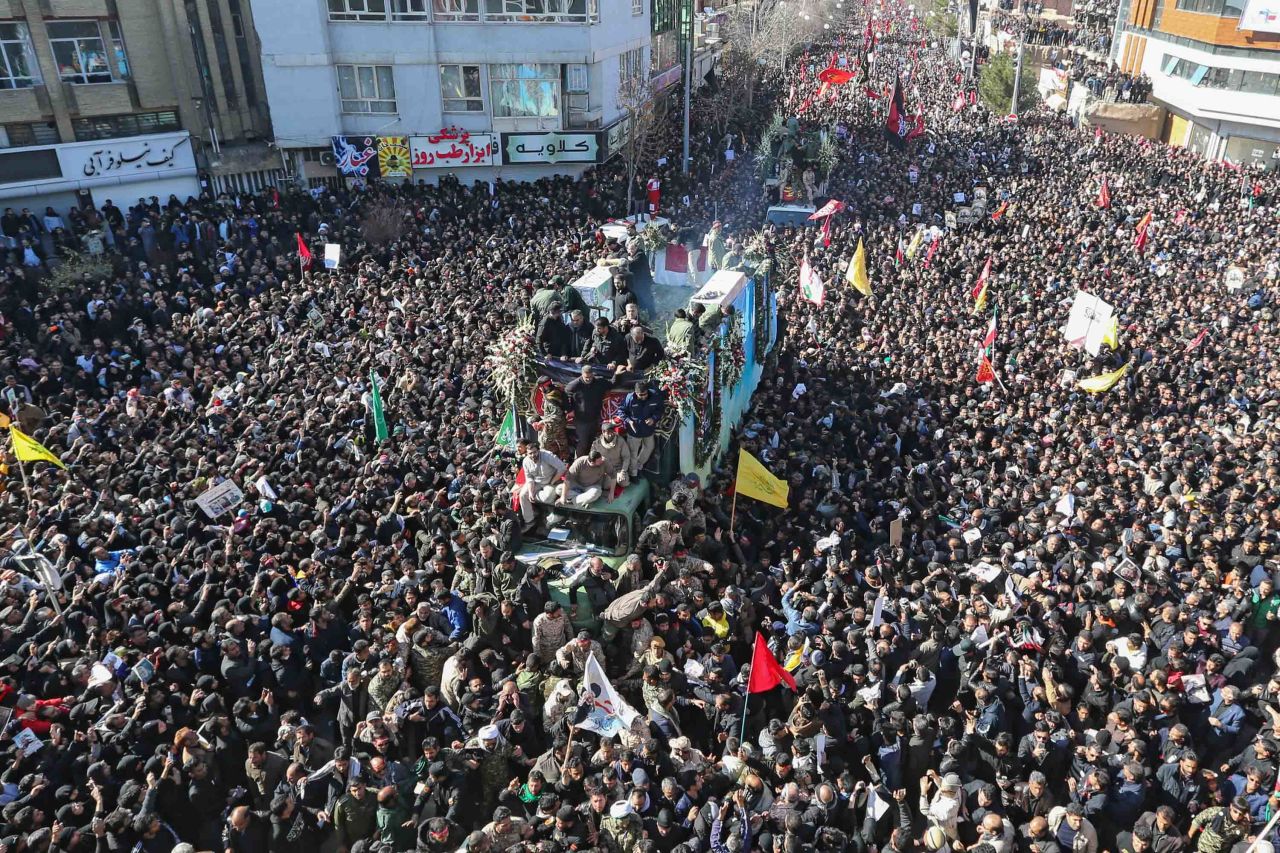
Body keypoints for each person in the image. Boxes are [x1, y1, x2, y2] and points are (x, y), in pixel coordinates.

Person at [619, 381, 665, 478]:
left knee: (649, 448)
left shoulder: (655, 396)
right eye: (641, 395)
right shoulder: (629, 398)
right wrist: (629, 421)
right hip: (634, 431)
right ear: (636, 393)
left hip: (648, 430)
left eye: (645, 394)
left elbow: (660, 410)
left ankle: (638, 466)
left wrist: (654, 418)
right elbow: (621, 411)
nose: (644, 396)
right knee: (633, 453)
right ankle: (633, 474)